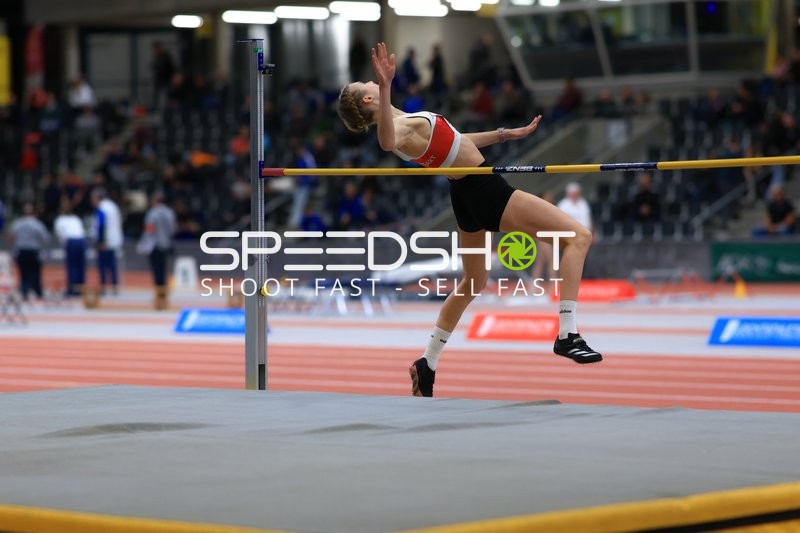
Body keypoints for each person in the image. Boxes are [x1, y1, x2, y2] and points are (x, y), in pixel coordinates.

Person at [337, 42, 601, 398]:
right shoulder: (398, 128)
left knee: (472, 283)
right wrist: (385, 86)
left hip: (464, 194)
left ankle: (427, 363)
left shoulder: (406, 123)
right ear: (369, 101)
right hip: (484, 190)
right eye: (366, 86)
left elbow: (458, 143)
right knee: (578, 237)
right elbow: (385, 142)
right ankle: (567, 334)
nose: (370, 82)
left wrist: (506, 134)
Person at [9, 203, 50, 301]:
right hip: (33, 250)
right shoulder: (37, 224)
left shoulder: (18, 223)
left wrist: (18, 242)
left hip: (21, 250)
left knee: (23, 272)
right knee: (35, 272)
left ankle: (25, 291)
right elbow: (45, 238)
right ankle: (38, 292)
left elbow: (11, 236)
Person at [142, 192, 176, 309]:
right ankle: (164, 295)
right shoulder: (170, 213)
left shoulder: (152, 214)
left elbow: (149, 230)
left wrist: (144, 245)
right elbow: (172, 229)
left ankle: (158, 295)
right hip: (166, 245)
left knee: (157, 272)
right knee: (164, 271)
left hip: (155, 246)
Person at [92, 189, 123, 294]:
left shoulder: (102, 208)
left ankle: (103, 286)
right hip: (115, 239)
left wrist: (101, 240)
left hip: (106, 241)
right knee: (112, 264)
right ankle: (115, 285)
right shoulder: (114, 206)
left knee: (103, 265)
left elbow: (101, 224)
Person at [53, 200, 87, 297]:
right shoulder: (76, 219)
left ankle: (72, 289)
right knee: (80, 266)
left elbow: (60, 234)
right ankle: (80, 288)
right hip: (81, 241)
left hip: (71, 241)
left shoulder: (60, 220)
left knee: (72, 266)